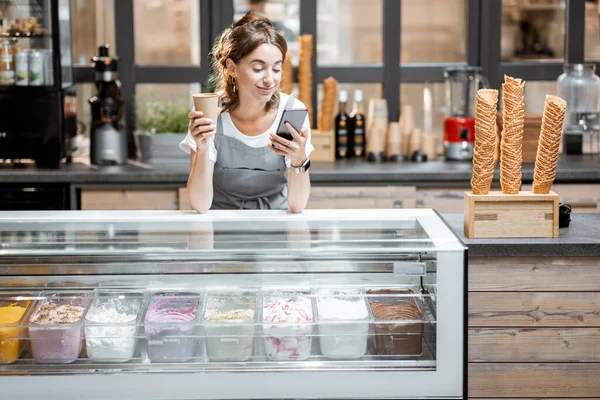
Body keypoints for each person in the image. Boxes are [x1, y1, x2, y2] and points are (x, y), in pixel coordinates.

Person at [180, 12, 313, 213]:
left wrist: (299, 160)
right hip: (221, 229)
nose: (270, 79)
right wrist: (202, 148)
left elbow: (297, 205)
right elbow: (199, 205)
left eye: (276, 69)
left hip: (276, 229)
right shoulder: (211, 112)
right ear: (232, 68)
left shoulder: (291, 112)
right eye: (258, 68)